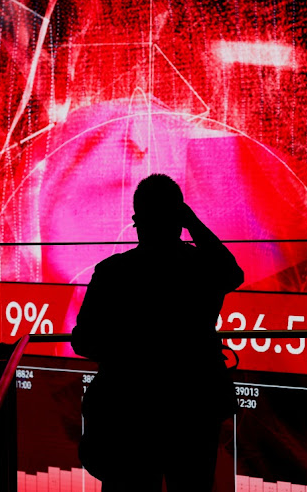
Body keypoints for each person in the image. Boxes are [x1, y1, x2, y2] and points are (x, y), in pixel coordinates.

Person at [71, 174, 244, 492]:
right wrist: (192, 222)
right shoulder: (199, 268)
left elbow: (83, 340)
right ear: (179, 219)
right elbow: (233, 273)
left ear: (138, 221)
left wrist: (125, 353)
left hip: (127, 415)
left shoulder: (112, 273)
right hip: (194, 409)